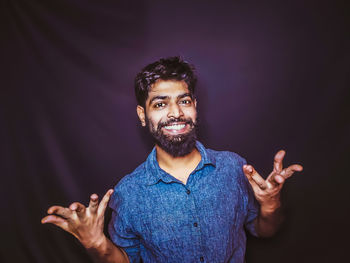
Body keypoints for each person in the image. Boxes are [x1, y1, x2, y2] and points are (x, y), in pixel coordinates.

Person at [42, 56, 303, 263]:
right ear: (142, 115)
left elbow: (266, 230)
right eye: (160, 104)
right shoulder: (128, 193)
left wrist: (271, 204)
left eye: (184, 101)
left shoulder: (234, 168)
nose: (176, 113)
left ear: (195, 106)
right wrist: (95, 243)